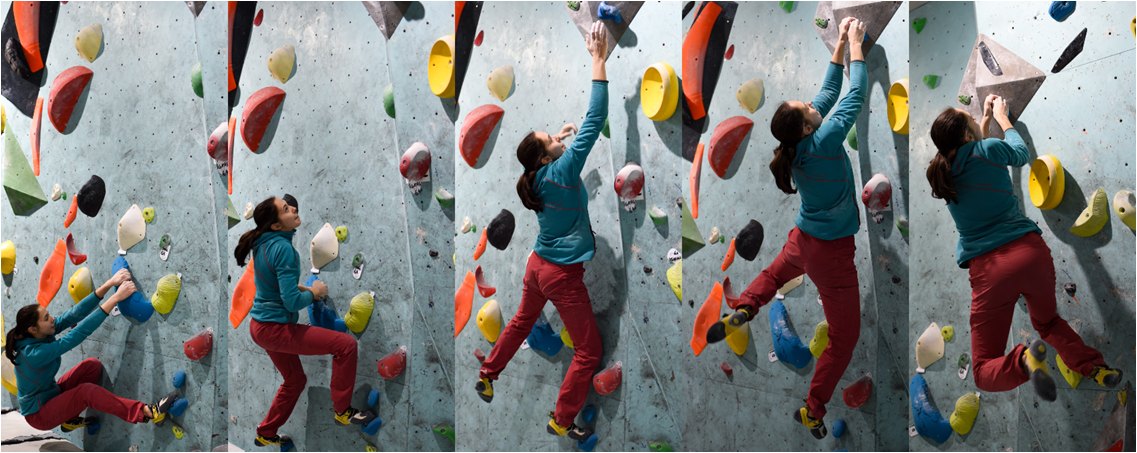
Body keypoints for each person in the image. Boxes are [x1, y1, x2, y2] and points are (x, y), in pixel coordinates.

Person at [704, 17, 868, 440]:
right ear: (810, 126)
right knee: (844, 339)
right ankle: (813, 408)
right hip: (830, 255)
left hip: (803, 240)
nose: (810, 103)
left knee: (775, 275)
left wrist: (836, 51)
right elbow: (855, 94)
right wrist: (855, 46)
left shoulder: (795, 146)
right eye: (806, 108)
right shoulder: (827, 137)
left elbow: (827, 95)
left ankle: (746, 307)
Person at [924, 95, 1121, 401]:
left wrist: (983, 124)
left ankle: (1024, 361)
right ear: (966, 135)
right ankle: (1096, 368)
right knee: (1047, 322)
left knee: (983, 370)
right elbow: (1018, 153)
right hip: (1030, 254)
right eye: (971, 119)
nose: (976, 119)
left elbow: (975, 159)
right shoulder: (988, 150)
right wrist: (1003, 119)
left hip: (990, 272)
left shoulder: (942, 175)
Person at [474, 21, 609, 443]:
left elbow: (551, 152)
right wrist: (598, 58)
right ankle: (562, 418)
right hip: (562, 275)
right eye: (551, 138)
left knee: (520, 321)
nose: (558, 137)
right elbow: (596, 116)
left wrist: (558, 138)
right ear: (545, 156)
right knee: (589, 352)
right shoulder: (564, 169)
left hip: (537, 266)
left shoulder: (534, 178)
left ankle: (489, 372)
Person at [233, 197, 375, 448]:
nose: (294, 209)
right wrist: (313, 292)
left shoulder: (262, 243)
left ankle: (265, 433)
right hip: (274, 329)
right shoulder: (284, 249)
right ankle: (342, 411)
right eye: (286, 209)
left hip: (260, 327)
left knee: (295, 380)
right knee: (346, 346)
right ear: (276, 225)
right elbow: (290, 302)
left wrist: (302, 289)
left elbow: (272, 285)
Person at [5, 269, 178, 433]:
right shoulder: (32, 354)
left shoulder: (38, 333)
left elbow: (72, 315)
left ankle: (69, 418)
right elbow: (76, 335)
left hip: (50, 394)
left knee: (91, 367)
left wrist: (109, 284)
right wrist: (115, 299)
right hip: (40, 414)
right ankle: (148, 412)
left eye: (48, 314)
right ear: (33, 329)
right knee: (86, 392)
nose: (52, 319)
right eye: (46, 318)